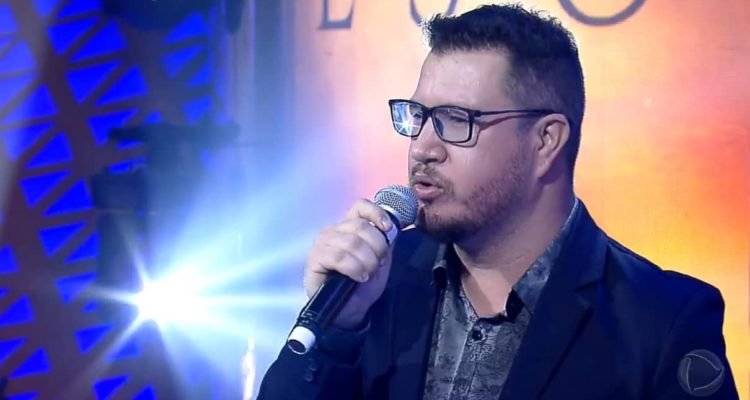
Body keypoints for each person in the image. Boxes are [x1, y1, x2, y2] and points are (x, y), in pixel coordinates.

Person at [258, 3, 739, 399]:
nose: (422, 147)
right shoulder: (376, 283)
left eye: (455, 119)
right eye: (418, 116)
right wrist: (338, 332)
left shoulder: (660, 320)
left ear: (546, 141)